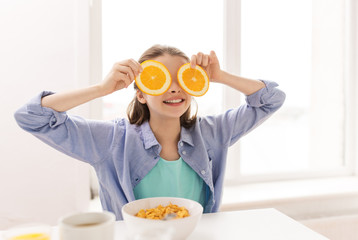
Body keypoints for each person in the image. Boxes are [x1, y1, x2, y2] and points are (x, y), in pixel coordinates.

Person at [14, 44, 285, 220]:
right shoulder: (111, 140)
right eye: (162, 80)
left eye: (182, 79)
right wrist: (102, 89)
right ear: (141, 94)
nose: (175, 88)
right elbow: (31, 117)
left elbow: (271, 99)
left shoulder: (213, 133)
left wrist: (221, 76)